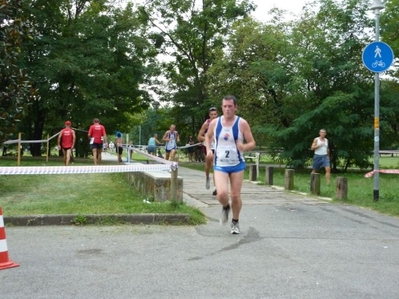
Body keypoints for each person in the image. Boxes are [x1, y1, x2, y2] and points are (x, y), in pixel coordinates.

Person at [205, 95, 255, 235]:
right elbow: (208, 137)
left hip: (237, 164)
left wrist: (243, 147)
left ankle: (235, 221)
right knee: (221, 194)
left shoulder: (242, 123)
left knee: (235, 195)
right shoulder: (215, 123)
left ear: (235, 107)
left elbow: (252, 142)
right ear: (222, 107)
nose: (227, 109)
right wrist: (209, 150)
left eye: (230, 106)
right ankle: (225, 207)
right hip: (220, 163)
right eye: (225, 106)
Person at [197, 107, 218, 195]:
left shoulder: (221, 123)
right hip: (208, 146)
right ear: (209, 115)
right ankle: (207, 177)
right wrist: (208, 138)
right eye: (211, 114)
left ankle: (216, 187)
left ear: (217, 115)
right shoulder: (206, 124)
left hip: (217, 147)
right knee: (208, 164)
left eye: (215, 114)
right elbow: (199, 137)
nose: (213, 116)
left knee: (216, 166)